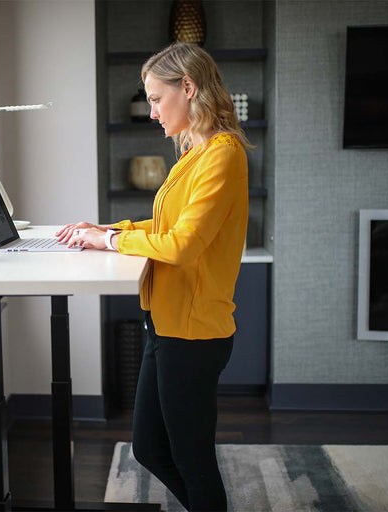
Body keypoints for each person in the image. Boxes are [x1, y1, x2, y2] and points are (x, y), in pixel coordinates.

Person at [55, 42, 251, 511]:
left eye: (157, 99)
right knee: (149, 448)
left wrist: (109, 243)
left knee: (192, 459)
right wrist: (108, 230)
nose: (151, 112)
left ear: (188, 87)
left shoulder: (222, 155)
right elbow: (168, 225)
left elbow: (182, 245)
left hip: (193, 332)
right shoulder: (195, 152)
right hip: (164, 324)